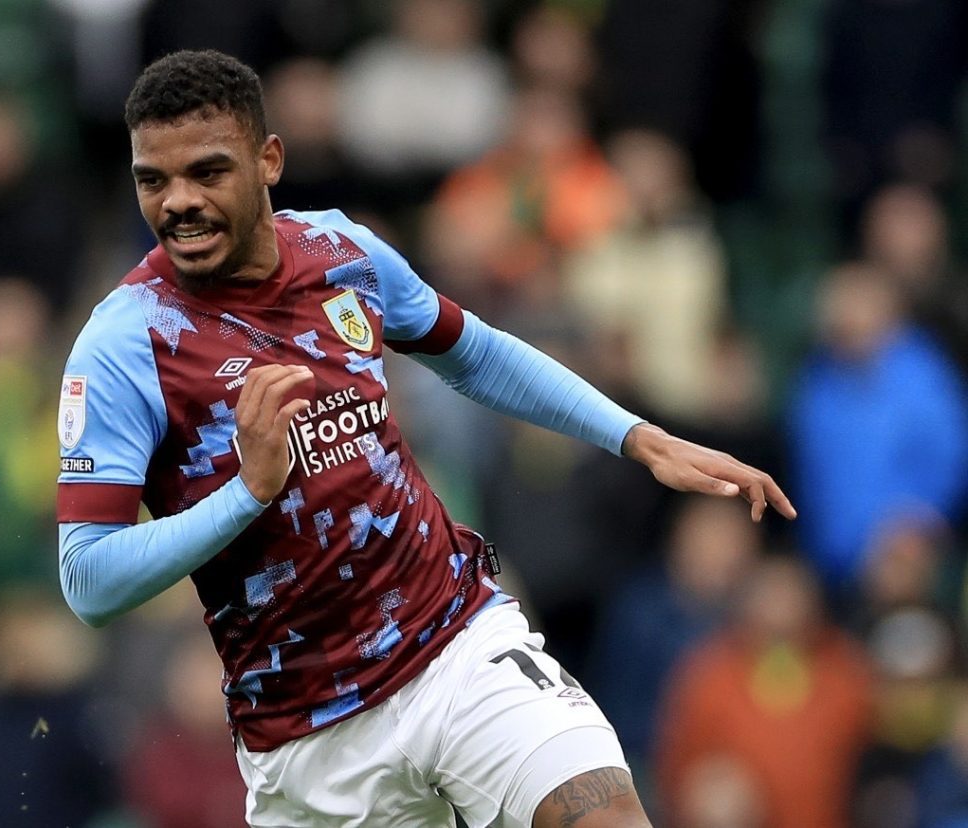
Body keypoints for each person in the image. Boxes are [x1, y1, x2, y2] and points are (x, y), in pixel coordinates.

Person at [56, 49, 796, 828]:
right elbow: (90, 581)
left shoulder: (343, 254)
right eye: (153, 180)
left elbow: (472, 352)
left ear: (268, 159)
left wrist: (636, 437)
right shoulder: (126, 342)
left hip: (457, 645)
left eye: (207, 172)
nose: (179, 202)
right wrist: (248, 493)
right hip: (311, 739)